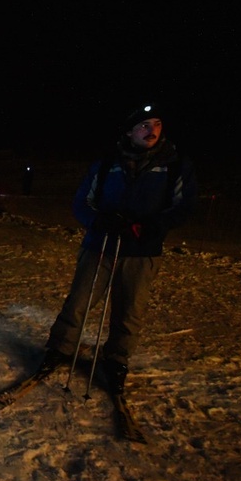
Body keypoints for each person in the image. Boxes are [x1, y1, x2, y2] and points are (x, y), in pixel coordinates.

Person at [42, 102, 198, 398]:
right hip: (100, 245)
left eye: (156, 124)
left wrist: (152, 225)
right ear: (129, 132)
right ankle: (59, 348)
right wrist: (99, 220)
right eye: (143, 125)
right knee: (79, 301)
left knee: (129, 310)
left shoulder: (175, 163)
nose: (151, 130)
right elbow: (81, 202)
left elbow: (185, 206)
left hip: (142, 250)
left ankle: (116, 359)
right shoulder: (107, 163)